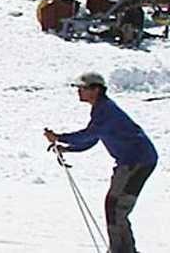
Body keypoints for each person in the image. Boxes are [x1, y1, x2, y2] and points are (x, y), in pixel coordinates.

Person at [46, 71, 156, 253]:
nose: (78, 92)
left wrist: (59, 137)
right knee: (114, 206)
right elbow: (93, 138)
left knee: (117, 207)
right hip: (134, 161)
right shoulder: (101, 108)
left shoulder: (106, 110)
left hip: (136, 161)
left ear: (96, 90)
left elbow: (90, 134)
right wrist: (68, 148)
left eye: (82, 88)